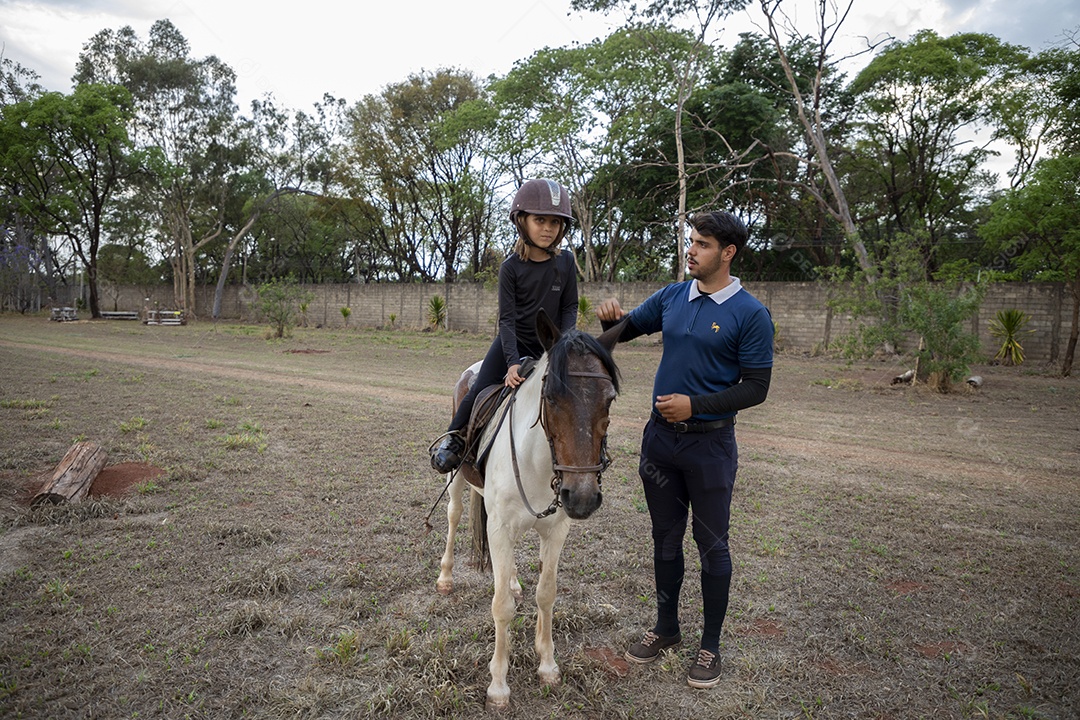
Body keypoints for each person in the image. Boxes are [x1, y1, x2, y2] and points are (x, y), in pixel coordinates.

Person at [595, 210, 773, 689]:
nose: (689, 250)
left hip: (710, 447)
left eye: (701, 244)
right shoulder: (674, 296)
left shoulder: (750, 314)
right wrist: (608, 325)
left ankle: (710, 645)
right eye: (690, 241)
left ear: (727, 253)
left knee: (712, 546)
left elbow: (757, 387)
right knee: (665, 538)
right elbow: (625, 330)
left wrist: (695, 405)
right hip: (659, 444)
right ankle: (666, 629)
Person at [429, 179, 579, 473]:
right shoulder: (510, 267)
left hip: (553, 343)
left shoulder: (566, 263)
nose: (548, 228)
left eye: (554, 222)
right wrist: (511, 363)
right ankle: (454, 439)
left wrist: (563, 343)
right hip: (514, 342)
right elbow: (507, 319)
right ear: (522, 222)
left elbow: (570, 306)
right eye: (540, 220)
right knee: (479, 387)